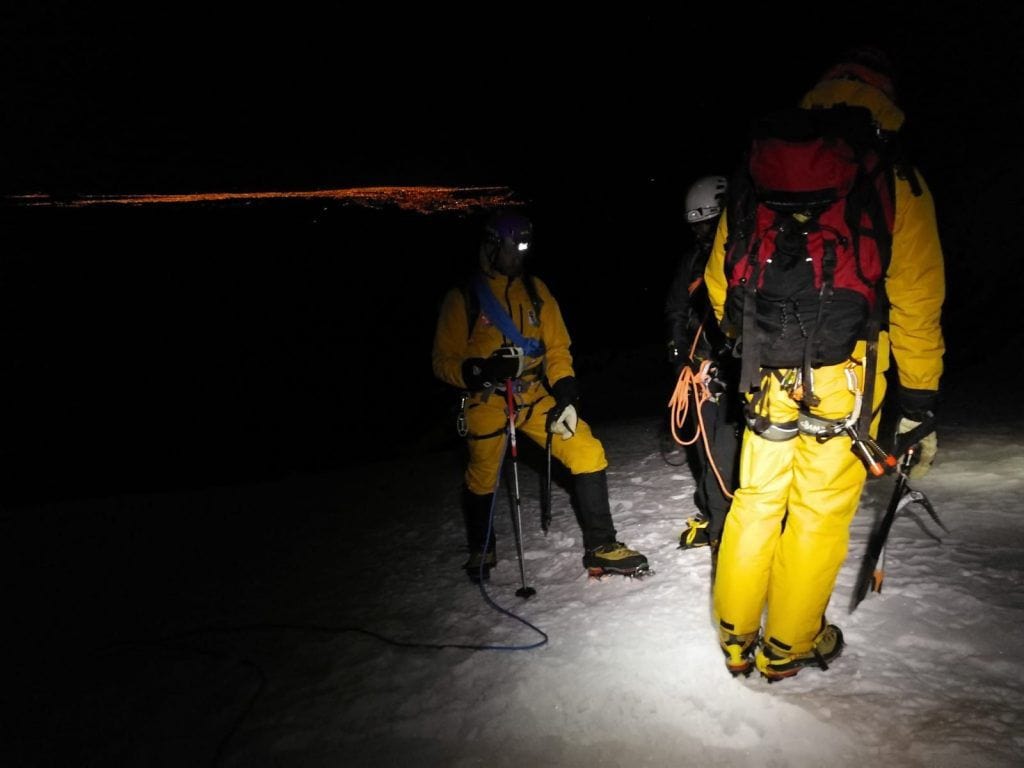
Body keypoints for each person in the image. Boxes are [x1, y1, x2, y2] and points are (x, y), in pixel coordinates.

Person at [705, 47, 945, 679]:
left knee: (756, 500)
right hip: (847, 374)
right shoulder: (893, 177)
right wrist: (918, 402)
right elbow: (918, 301)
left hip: (766, 370)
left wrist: (754, 342)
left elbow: (720, 277)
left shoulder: (762, 168)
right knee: (817, 510)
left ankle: (736, 639)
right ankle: (789, 644)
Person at [432, 209, 649, 581]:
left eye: (523, 249)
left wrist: (564, 388)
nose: (518, 257)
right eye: (512, 249)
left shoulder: (536, 290)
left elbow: (557, 348)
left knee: (587, 449)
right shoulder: (464, 298)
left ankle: (601, 547)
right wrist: (476, 371)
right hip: (487, 402)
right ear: (492, 246)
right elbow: (443, 361)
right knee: (483, 476)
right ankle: (482, 546)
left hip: (533, 396)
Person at [663, 175, 742, 551]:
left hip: (743, 369)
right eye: (697, 226)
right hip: (704, 371)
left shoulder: (743, 255)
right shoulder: (693, 261)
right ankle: (715, 517)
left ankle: (733, 522)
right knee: (708, 451)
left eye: (709, 223)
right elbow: (676, 311)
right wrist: (680, 357)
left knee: (735, 451)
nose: (703, 233)